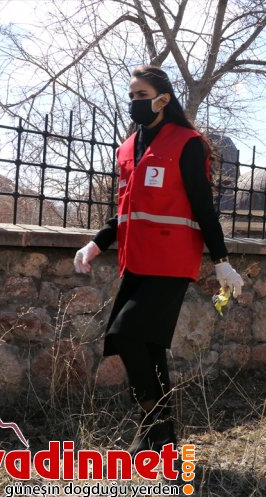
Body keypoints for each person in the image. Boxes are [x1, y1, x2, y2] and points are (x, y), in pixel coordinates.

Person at [73, 65, 244, 453]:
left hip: (171, 261)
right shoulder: (127, 148)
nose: (135, 102)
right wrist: (96, 244)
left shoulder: (187, 142)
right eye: (131, 96)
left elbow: (202, 205)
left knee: (125, 334)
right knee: (148, 348)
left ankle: (155, 426)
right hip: (135, 259)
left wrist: (221, 260)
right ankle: (160, 439)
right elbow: (124, 210)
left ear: (163, 99)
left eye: (142, 94)